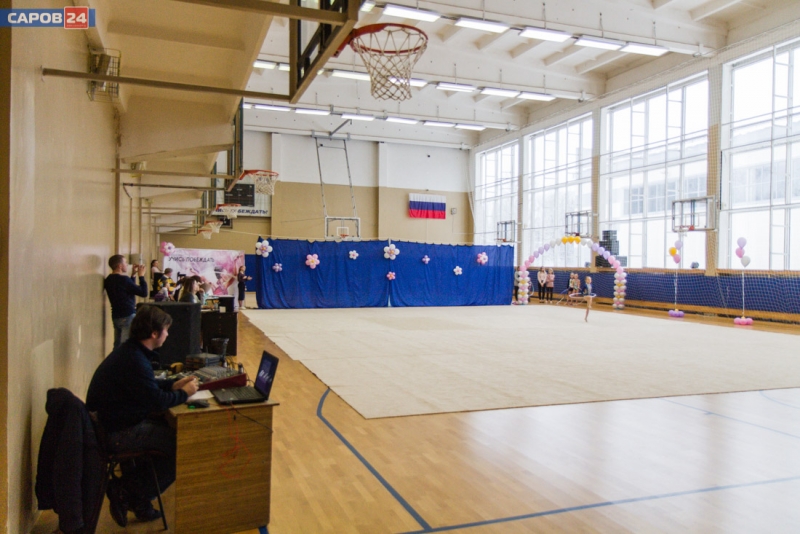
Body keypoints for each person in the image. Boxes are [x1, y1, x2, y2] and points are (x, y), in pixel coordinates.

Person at [86, 306, 199, 526]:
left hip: (112, 424)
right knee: (181, 445)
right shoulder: (134, 359)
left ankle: (138, 499)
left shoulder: (131, 352)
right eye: (166, 330)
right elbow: (156, 401)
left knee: (165, 429)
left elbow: (146, 386)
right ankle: (128, 491)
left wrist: (172, 385)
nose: (168, 334)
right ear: (154, 333)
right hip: (116, 433)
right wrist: (184, 394)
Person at [104, 255, 148, 349]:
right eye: (125, 262)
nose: (127, 264)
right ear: (119, 266)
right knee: (126, 346)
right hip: (127, 315)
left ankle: (115, 359)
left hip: (116, 315)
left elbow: (128, 289)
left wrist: (133, 275)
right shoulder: (124, 279)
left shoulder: (109, 279)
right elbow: (143, 293)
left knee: (117, 345)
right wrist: (141, 276)